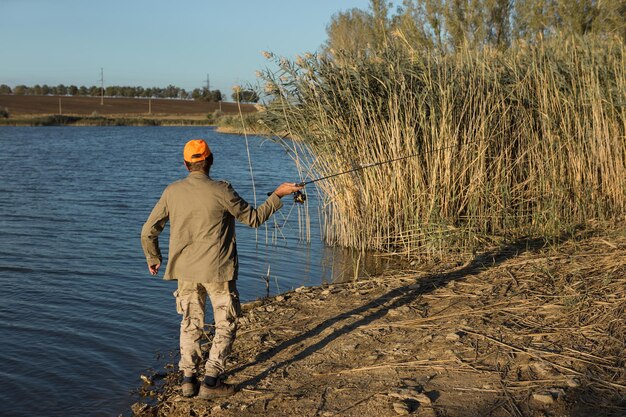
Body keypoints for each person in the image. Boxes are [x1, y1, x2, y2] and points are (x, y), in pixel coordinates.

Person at [141, 139, 302, 399]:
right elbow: (254, 218)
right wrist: (277, 195)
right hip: (218, 272)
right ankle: (211, 381)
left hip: (186, 272)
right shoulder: (222, 189)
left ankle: (188, 380)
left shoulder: (172, 191)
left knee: (190, 324)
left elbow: (148, 231)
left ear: (186, 164)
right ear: (210, 161)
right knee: (225, 324)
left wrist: (153, 257)